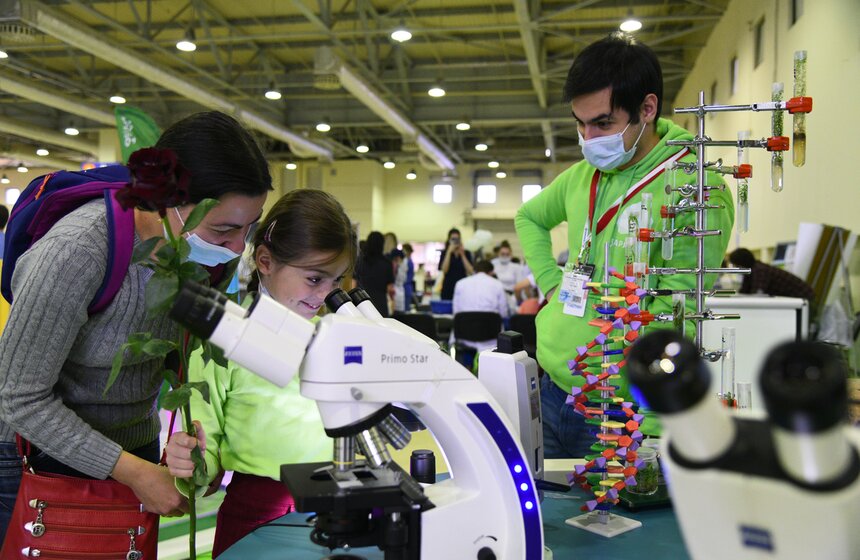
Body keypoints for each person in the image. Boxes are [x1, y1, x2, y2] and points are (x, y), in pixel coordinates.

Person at [0, 110, 272, 542]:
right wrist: (134, 473)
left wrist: (179, 444)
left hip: (133, 455)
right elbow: (19, 398)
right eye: (224, 229)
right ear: (168, 203)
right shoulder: (75, 253)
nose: (237, 246)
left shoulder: (194, 260)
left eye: (248, 228)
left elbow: (177, 365)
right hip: (41, 465)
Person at [515, 32, 734, 458]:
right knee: (548, 521)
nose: (588, 138)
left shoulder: (696, 187)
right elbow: (529, 217)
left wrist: (650, 423)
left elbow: (678, 315)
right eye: (579, 123)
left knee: (614, 524)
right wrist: (552, 285)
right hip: (551, 387)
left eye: (602, 123)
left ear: (647, 109)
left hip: (619, 410)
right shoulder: (582, 176)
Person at [165, 189, 356, 557]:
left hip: (337, 512)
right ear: (265, 261)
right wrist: (191, 460)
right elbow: (207, 456)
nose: (326, 294)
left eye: (336, 280)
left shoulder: (339, 338)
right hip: (255, 517)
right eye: (315, 279)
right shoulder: (223, 339)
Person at [452, 259, 509, 353]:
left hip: (465, 334)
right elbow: (503, 313)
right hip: (490, 335)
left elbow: (456, 312)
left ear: (474, 271)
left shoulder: (460, 283)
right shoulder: (497, 284)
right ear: (491, 272)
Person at [728, 248, 815, 301]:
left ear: (742, 263)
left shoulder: (760, 270)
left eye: (736, 265)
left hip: (805, 298)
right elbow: (744, 292)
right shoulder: (750, 272)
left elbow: (757, 295)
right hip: (799, 299)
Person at [354, 231, 395, 317]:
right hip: (380, 304)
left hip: (362, 303)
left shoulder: (359, 261)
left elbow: (353, 285)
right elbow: (390, 289)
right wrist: (393, 301)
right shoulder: (387, 263)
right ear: (382, 245)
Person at [438, 228, 474, 300]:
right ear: (449, 240)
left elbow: (471, 271)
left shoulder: (466, 253)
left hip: (462, 287)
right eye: (453, 239)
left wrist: (462, 255)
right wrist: (449, 252)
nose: (455, 242)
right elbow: (444, 270)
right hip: (448, 287)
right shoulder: (444, 253)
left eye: (457, 239)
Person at [402, 243, 416, 311]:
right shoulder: (407, 261)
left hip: (406, 287)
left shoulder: (408, 262)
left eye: (403, 250)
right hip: (407, 287)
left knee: (405, 309)